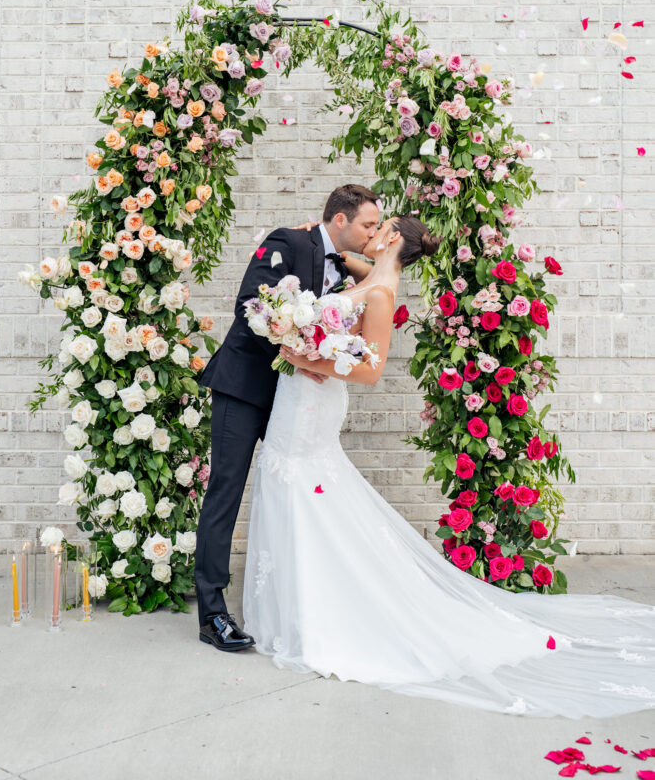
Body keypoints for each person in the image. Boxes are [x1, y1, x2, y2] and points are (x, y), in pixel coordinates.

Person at [241, 214, 655, 719]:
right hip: (301, 395)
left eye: (380, 226)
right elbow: (340, 260)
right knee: (296, 486)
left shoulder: (381, 291)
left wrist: (305, 358)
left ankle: (319, 616)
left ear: (391, 238)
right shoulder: (369, 273)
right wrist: (313, 251)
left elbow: (370, 370)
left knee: (301, 483)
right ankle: (298, 604)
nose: (370, 232)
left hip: (311, 397)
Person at [194, 184, 381, 651]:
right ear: (340, 219)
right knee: (226, 492)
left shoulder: (344, 264)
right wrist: (300, 354)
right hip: (242, 389)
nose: (371, 232)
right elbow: (250, 307)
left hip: (290, 402)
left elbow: (378, 276)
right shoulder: (287, 241)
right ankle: (211, 614)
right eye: (366, 224)